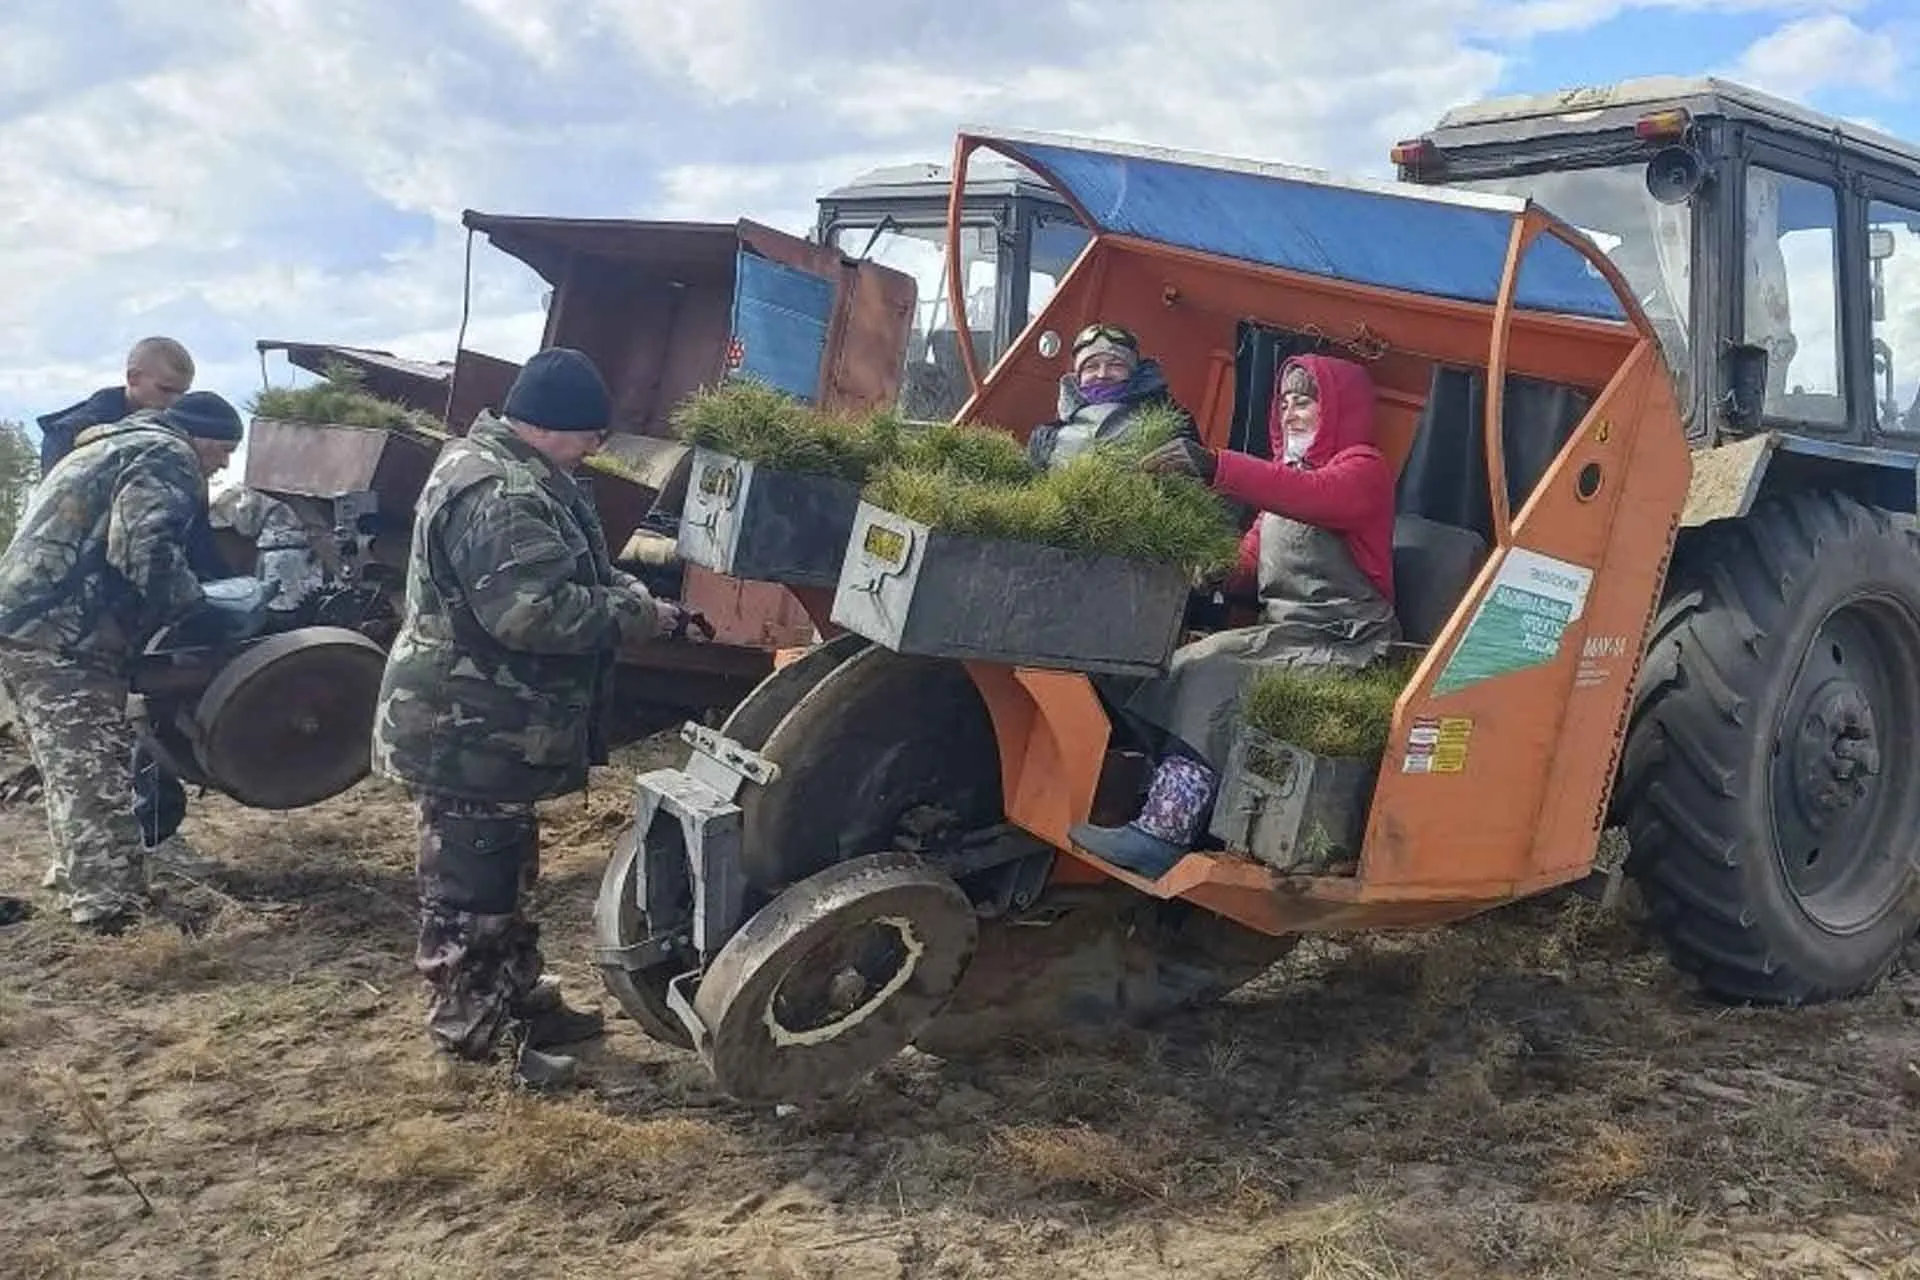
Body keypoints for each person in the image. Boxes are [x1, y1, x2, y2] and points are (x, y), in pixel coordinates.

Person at [371, 347, 704, 1090]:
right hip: (465, 727)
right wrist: (641, 615)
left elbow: (570, 568)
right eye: (590, 435)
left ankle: (518, 999)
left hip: (491, 726)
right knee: (470, 895)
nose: (594, 449)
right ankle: (472, 1046)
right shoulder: (502, 491)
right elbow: (531, 612)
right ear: (552, 424)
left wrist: (633, 593)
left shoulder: (516, 473)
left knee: (504, 872)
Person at [1070, 354, 1399, 879]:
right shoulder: (1284, 483)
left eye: (1305, 401)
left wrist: (1216, 466)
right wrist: (1211, 570)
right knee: (1179, 662)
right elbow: (1249, 561)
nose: (1290, 412)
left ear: (1340, 408)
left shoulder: (1362, 470)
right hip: (1288, 633)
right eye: (1284, 403)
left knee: (1214, 675)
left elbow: (1315, 498)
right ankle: (1176, 802)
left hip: (1347, 640)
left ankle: (1165, 833)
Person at [0, 392, 244, 931]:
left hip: (28, 624)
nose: (224, 462)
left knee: (72, 770)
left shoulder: (112, 446)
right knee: (95, 774)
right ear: (198, 436)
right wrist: (199, 612)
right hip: (63, 634)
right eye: (224, 448)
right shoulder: (167, 454)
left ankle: (81, 881)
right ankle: (111, 912)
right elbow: (142, 550)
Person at [1026, 323, 1198, 470]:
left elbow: (1196, 486)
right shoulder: (1046, 436)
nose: (1102, 374)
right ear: (1078, 378)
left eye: (1116, 365)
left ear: (1134, 372)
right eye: (1091, 367)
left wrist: (1201, 463)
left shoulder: (1169, 421)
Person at [36, 337, 196, 476]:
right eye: (165, 389)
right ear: (133, 378)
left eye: (182, 393)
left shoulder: (179, 430)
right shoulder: (69, 433)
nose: (175, 401)